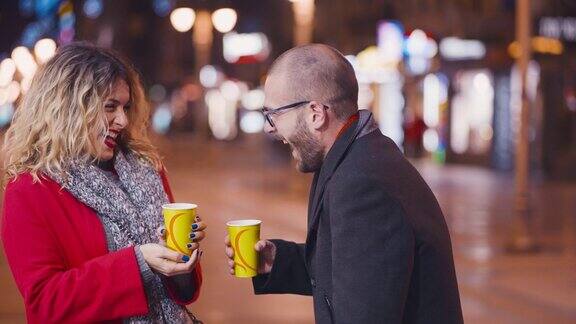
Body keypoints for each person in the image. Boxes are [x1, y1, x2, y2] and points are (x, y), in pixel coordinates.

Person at [224, 44, 463, 323]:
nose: (269, 127)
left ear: (315, 113)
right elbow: (354, 270)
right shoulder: (355, 158)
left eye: (273, 114)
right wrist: (277, 262)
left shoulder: (362, 184)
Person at [1, 43, 205, 323]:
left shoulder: (146, 169)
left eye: (126, 107)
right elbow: (44, 304)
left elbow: (181, 293)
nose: (121, 120)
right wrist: (138, 264)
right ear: (68, 107)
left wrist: (181, 259)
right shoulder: (29, 189)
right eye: (110, 107)